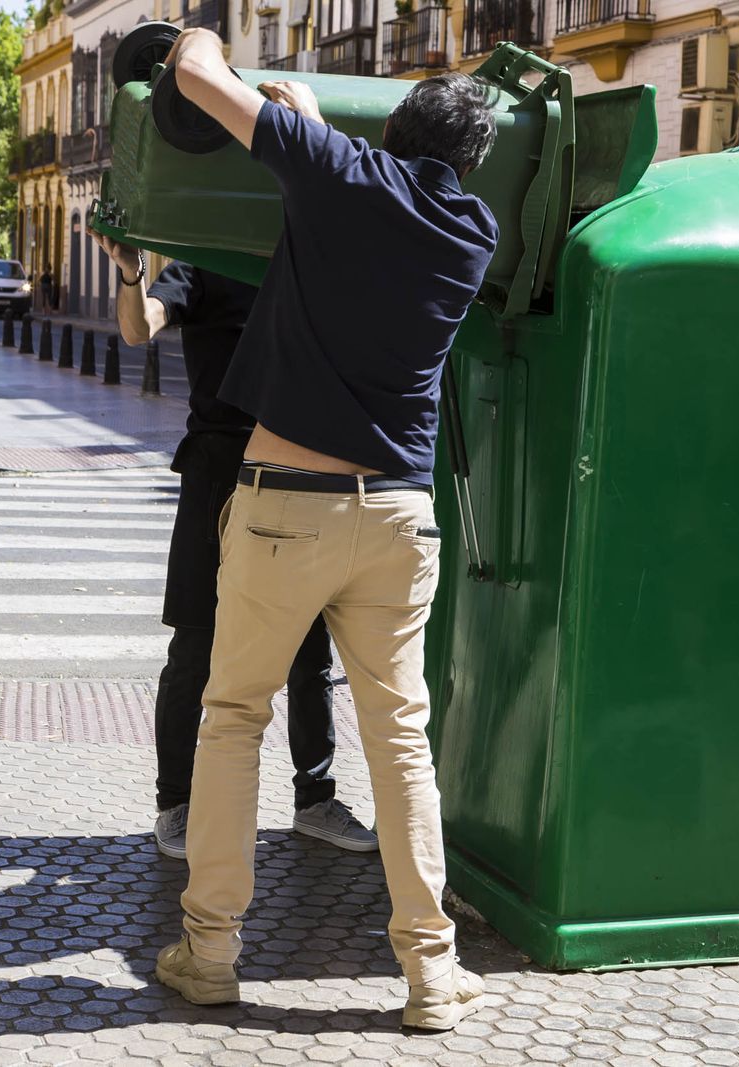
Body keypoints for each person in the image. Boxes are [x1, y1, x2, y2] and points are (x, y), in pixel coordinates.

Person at [148, 27, 499, 1032]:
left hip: (284, 508)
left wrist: (201, 36)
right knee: (400, 740)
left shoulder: (340, 173)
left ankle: (209, 952)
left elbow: (196, 75)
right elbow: (373, 202)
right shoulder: (469, 233)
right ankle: (431, 972)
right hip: (399, 515)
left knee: (232, 718)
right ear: (468, 164)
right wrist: (310, 134)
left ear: (389, 131)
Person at [83, 237, 378, 860]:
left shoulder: (317, 258)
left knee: (308, 649)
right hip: (219, 474)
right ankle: (176, 805)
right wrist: (133, 274)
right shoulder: (208, 257)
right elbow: (140, 328)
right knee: (195, 645)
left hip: (302, 474)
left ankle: (315, 800)